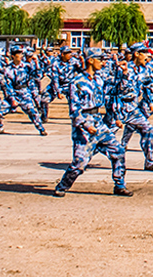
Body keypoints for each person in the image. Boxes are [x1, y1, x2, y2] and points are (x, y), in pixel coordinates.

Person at [54, 49, 131, 197]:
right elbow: (74, 110)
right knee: (79, 163)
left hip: (98, 122)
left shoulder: (99, 80)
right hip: (84, 126)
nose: (103, 63)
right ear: (90, 60)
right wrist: (85, 125)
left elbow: (117, 90)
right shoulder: (77, 82)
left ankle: (119, 185)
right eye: (99, 59)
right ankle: (62, 186)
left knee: (118, 151)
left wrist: (125, 73)